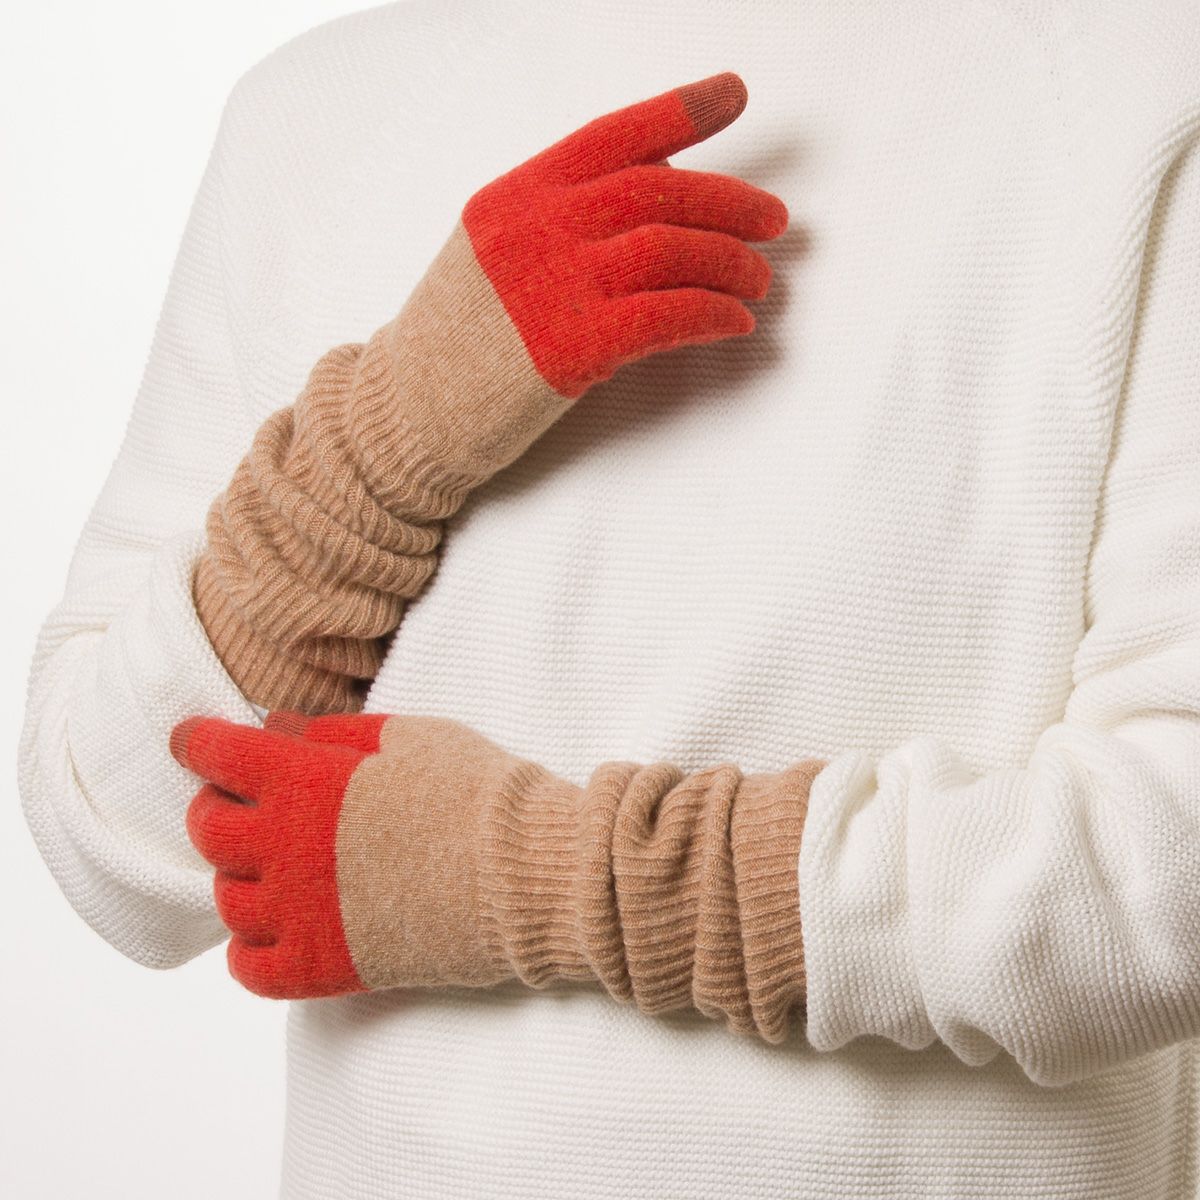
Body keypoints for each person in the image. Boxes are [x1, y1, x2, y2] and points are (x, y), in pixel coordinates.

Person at [18, 2, 1200, 1196]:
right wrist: (381, 446)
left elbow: (1176, 873)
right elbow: (114, 844)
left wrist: (534, 878)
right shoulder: (311, 112)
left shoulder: (1140, 85)